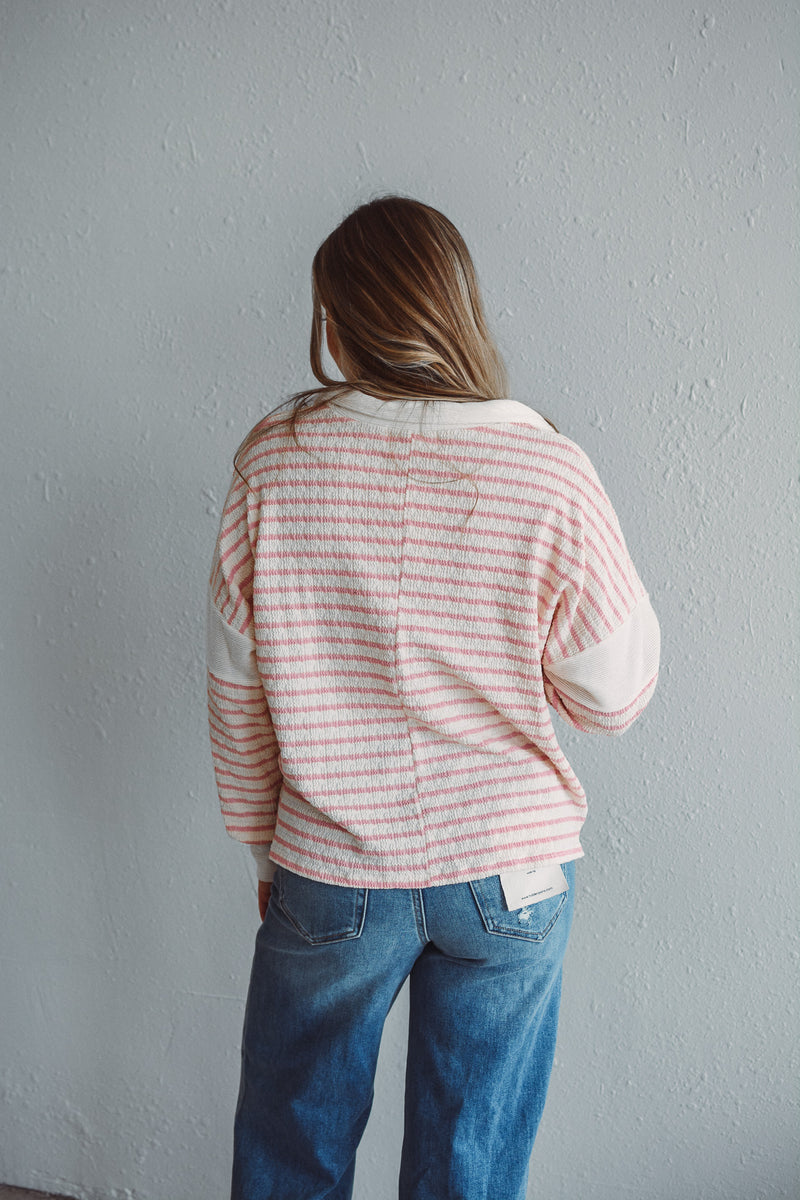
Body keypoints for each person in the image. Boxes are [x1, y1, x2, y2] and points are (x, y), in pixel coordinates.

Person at [206, 195, 660, 1200]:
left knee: (289, 1141)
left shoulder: (272, 462)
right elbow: (613, 695)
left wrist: (260, 848)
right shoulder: (547, 467)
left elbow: (236, 694)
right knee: (472, 1159)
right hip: (509, 869)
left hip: (329, 862)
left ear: (334, 320)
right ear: (458, 306)